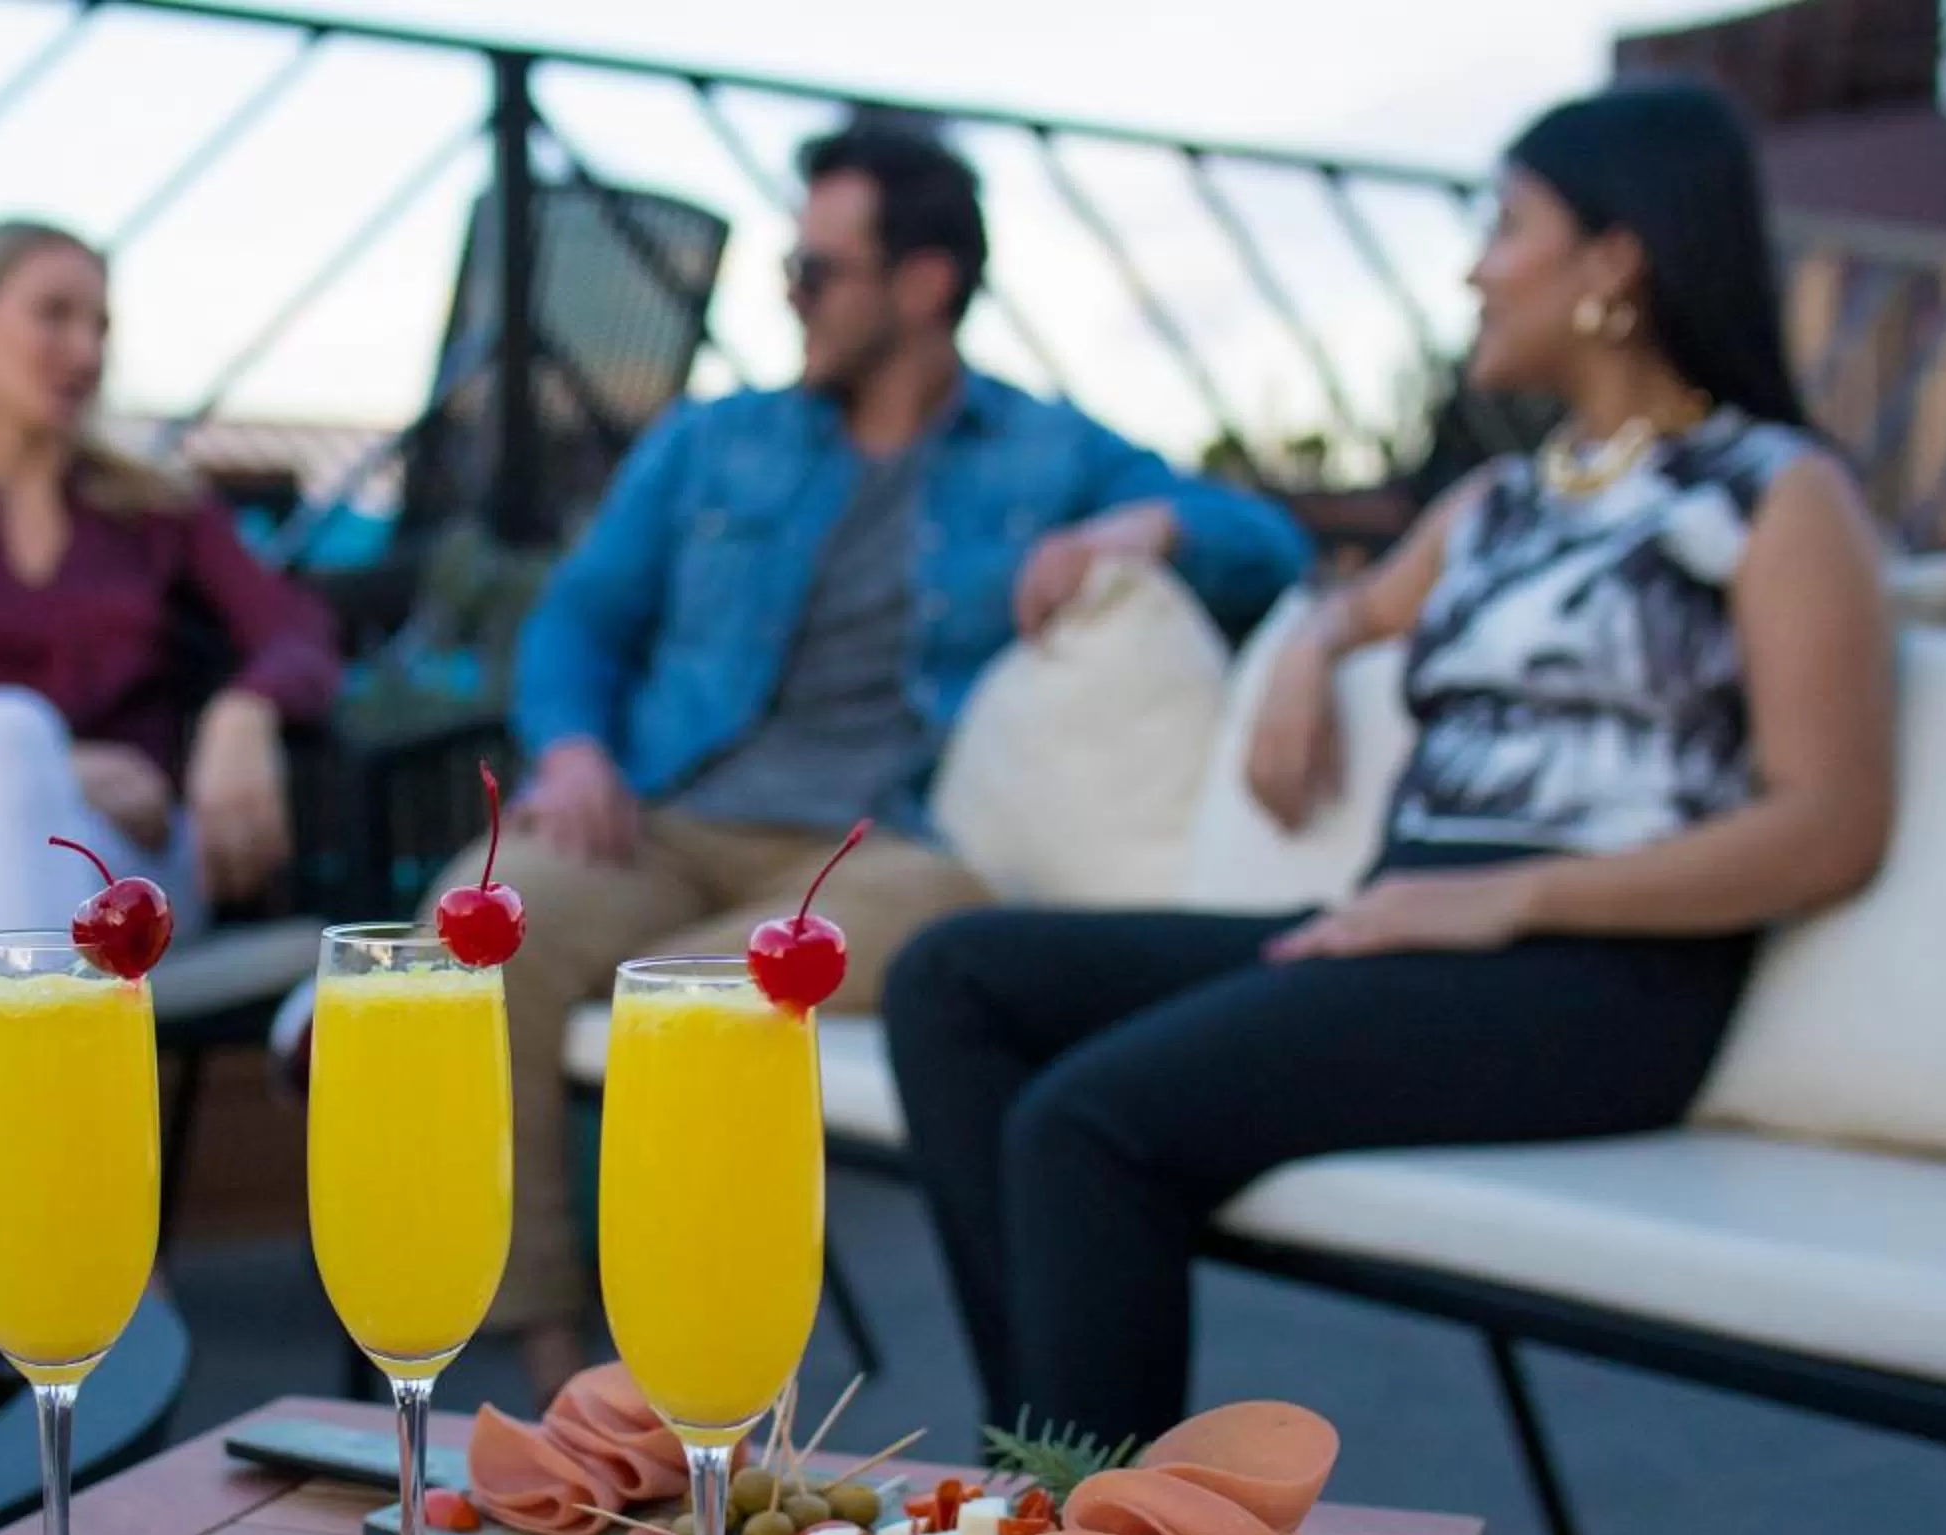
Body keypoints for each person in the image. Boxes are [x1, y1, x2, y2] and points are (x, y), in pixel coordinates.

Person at [885, 84, 1898, 1445]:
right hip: (1406, 929)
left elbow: (1831, 824)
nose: (1475, 266)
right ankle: (1050, 1473)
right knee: (954, 979)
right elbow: (1347, 604)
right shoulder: (1500, 505)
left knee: (1089, 1123)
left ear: (1616, 260)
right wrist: (1306, 650)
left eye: (1505, 225)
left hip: (1599, 975)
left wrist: (1511, 898)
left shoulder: (1775, 494)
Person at [444, 121, 1313, 1393]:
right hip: (669, 813)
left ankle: (687, 1362)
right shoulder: (712, 442)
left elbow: (1269, 546)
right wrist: (574, 749)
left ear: (923, 283)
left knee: (708, 998)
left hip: (887, 846)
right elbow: (582, 614)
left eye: (816, 270)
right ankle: (554, 1354)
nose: (789, 294)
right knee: (477, 932)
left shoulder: (1043, 452)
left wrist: (1149, 521)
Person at [0, 218, 342, 1220]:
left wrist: (241, 710)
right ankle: (81, 1213)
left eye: (99, 324)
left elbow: (299, 632)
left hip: (123, 857)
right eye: (54, 316)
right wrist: (52, 757)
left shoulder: (151, 508)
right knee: (1, 738)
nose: (86, 352)